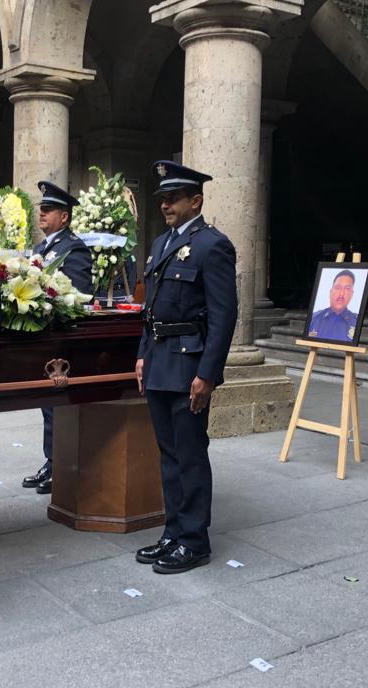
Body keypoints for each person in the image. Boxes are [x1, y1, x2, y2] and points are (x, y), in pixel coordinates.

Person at [134, 161, 237, 574]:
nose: (166, 205)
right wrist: (142, 353)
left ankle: (194, 540)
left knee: (190, 454)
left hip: (189, 363)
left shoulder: (213, 245)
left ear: (196, 200)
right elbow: (151, 309)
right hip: (159, 360)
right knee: (168, 454)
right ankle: (173, 530)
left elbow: (224, 315)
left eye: (174, 198)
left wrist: (208, 374)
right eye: (163, 198)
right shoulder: (161, 244)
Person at [21, 181, 93, 495]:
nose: (42, 214)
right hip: (44, 338)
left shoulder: (73, 248)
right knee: (46, 405)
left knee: (58, 405)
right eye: (42, 209)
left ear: (64, 217)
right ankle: (51, 462)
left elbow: (76, 295)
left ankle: (60, 464)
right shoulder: (41, 249)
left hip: (62, 340)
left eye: (48, 210)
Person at [307, 270, 359, 342]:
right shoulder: (314, 318)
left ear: (352, 294)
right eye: (338, 288)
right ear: (331, 292)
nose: (341, 294)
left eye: (347, 289)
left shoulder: (357, 322)